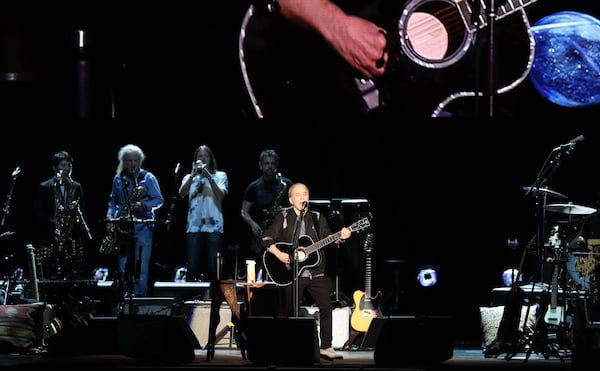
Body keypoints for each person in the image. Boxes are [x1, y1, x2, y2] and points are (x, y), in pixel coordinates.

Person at [260, 182, 352, 360]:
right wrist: (280, 254)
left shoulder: (317, 217)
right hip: (290, 271)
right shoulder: (284, 216)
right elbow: (266, 238)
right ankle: (286, 346)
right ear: (290, 199)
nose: (303, 197)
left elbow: (329, 239)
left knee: (326, 306)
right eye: (298, 194)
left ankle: (326, 346)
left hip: (315, 271)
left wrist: (341, 237)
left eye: (305, 194)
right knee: (287, 311)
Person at [105, 144, 164, 298]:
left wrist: (143, 205)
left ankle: (139, 301)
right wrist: (110, 216)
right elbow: (113, 201)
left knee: (141, 268)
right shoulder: (118, 179)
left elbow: (159, 200)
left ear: (140, 161)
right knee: (123, 266)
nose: (133, 164)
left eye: (136, 160)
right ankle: (125, 300)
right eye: (129, 160)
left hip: (143, 227)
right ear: (123, 161)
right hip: (123, 227)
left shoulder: (148, 177)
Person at [32, 150, 92, 280]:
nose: (67, 169)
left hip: (72, 237)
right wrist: (55, 222)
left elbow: (83, 208)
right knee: (50, 273)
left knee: (73, 272)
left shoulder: (76, 186)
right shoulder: (44, 187)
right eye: (63, 166)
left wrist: (72, 216)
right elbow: (38, 212)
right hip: (50, 236)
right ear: (54, 167)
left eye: (69, 166)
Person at [178, 144, 228, 282]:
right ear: (195, 160)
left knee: (214, 267)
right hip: (194, 227)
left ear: (211, 159)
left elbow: (221, 195)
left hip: (214, 227)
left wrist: (209, 177)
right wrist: (193, 174)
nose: (203, 158)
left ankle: (215, 299)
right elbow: (182, 193)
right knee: (192, 266)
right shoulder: (190, 177)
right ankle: (189, 300)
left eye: (206, 156)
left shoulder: (220, 175)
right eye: (200, 156)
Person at [241, 149, 293, 278]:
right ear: (260, 165)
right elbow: (244, 211)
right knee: (263, 266)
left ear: (276, 165)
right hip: (263, 233)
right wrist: (252, 224)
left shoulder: (286, 184)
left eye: (272, 163)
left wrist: (285, 211)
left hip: (283, 233)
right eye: (266, 163)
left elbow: (297, 208)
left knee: (283, 268)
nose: (270, 166)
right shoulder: (254, 186)